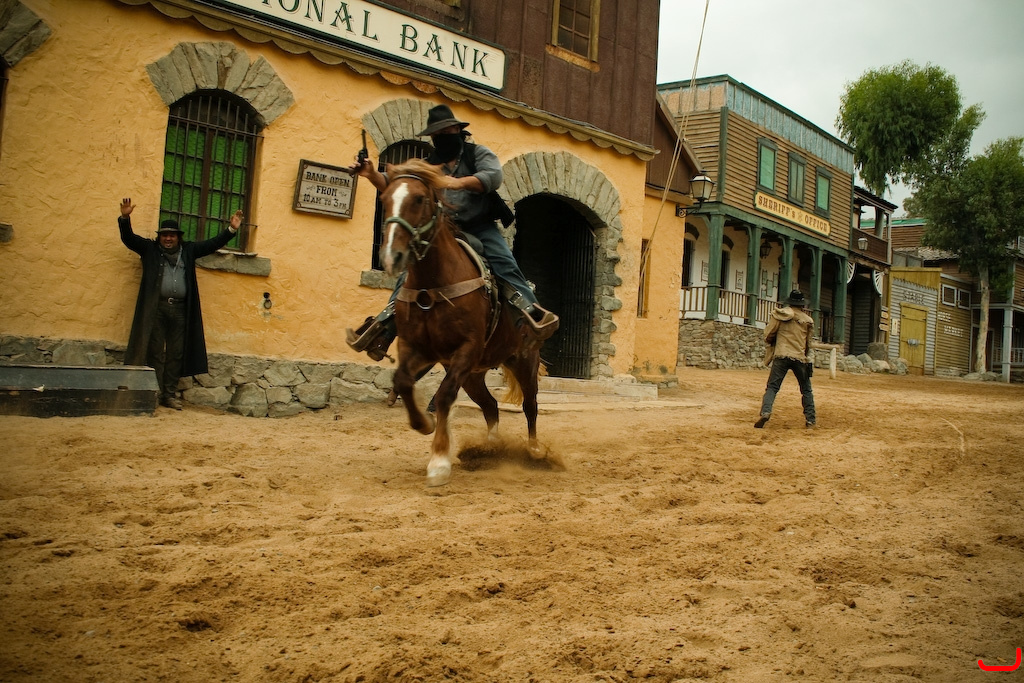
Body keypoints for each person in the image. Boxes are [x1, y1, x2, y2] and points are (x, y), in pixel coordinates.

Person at [345, 104, 559, 362]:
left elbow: (493, 176)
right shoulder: (428, 165)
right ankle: (384, 329)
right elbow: (398, 185)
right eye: (436, 134)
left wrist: (457, 182)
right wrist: (370, 174)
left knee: (505, 264)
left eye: (446, 132)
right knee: (409, 272)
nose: (441, 137)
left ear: (458, 130)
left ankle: (532, 318)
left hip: (479, 226)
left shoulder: (477, 154)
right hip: (441, 229)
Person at [118, 198, 242, 409]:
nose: (168, 238)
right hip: (156, 309)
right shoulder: (150, 249)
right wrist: (124, 218)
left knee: (176, 353)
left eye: (172, 235)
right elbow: (129, 239)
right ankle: (155, 393)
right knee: (155, 352)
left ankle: (169, 395)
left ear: (178, 237)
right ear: (160, 237)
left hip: (180, 310)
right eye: (164, 235)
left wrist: (231, 229)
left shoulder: (188, 250)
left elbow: (212, 244)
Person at [755, 289, 817, 428]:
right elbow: (808, 343)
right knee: (806, 389)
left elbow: (768, 334)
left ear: (789, 302)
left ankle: (765, 412)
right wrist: (805, 356)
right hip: (799, 357)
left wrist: (774, 342)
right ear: (802, 304)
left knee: (772, 387)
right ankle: (810, 420)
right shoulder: (807, 320)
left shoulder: (780, 315)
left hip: (781, 354)